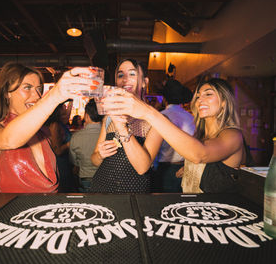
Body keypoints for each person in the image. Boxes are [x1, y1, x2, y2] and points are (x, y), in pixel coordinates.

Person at [100, 77, 248, 194]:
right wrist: (190, 169)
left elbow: (200, 154)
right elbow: (204, 158)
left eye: (208, 94)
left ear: (224, 102)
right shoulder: (200, 133)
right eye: (197, 96)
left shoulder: (233, 135)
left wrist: (148, 113)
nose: (200, 100)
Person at [0, 62, 98, 193]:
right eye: (27, 87)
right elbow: (9, 140)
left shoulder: (42, 130)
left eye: (39, 89)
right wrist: (54, 96)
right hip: (18, 210)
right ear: (7, 92)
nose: (37, 96)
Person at [90, 59, 162, 193]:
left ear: (145, 82)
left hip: (133, 193)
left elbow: (142, 167)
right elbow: (94, 159)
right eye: (121, 75)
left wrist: (122, 129)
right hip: (101, 189)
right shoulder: (109, 117)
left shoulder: (154, 119)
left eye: (132, 74)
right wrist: (100, 155)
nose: (125, 80)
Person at [154, 78, 195, 192]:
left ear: (165, 99)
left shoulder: (160, 117)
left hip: (165, 169)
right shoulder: (191, 117)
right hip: (187, 168)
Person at [69, 99, 102, 192]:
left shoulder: (76, 136)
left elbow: (73, 161)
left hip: (85, 177)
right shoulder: (109, 135)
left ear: (87, 116)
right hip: (105, 177)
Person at [46, 100, 77, 192]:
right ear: (58, 109)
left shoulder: (60, 122)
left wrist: (71, 101)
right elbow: (57, 150)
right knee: (64, 189)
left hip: (66, 161)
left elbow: (67, 115)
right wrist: (71, 143)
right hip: (60, 163)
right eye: (64, 106)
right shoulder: (54, 125)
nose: (66, 108)